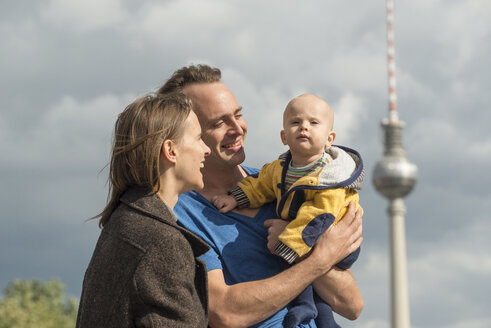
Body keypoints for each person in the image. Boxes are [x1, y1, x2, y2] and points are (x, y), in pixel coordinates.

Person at [158, 64, 364, 328]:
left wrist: (300, 248)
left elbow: (352, 305)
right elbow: (224, 314)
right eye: (218, 123)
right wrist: (319, 258)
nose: (237, 129)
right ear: (189, 134)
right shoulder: (179, 213)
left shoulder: (284, 183)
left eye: (238, 114)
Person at [212, 93, 364, 327]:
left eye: (314, 123)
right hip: (303, 238)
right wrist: (235, 198)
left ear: (329, 138)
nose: (304, 127)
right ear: (284, 137)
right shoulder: (279, 169)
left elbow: (320, 214)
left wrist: (290, 239)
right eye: (295, 122)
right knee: (303, 279)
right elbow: (259, 185)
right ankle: (303, 309)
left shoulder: (330, 178)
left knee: (320, 302)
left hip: (326, 230)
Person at [76, 93, 211, 327]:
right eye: (198, 138)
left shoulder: (124, 224)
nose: (206, 149)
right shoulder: (161, 242)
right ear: (171, 151)